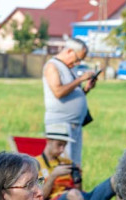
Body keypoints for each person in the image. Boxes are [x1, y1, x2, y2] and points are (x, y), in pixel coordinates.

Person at [35, 122, 114, 200]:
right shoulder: (37, 165)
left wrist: (78, 178)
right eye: (59, 145)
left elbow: (78, 190)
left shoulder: (67, 163)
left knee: (116, 181)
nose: (62, 149)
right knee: (73, 194)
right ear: (49, 141)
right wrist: (53, 176)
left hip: (77, 199)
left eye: (64, 145)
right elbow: (40, 194)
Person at [43, 39, 95, 168]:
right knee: (60, 164)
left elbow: (70, 94)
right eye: (77, 59)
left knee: (74, 165)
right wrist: (80, 79)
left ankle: (75, 187)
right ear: (69, 51)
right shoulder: (52, 66)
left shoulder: (68, 68)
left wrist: (86, 89)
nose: (77, 63)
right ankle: (47, 186)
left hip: (74, 124)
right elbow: (58, 91)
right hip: (60, 125)